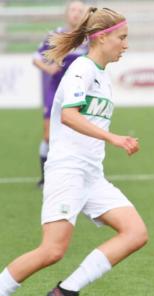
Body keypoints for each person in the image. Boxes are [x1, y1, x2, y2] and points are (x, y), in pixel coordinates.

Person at [0, 7, 148, 296]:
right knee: (52, 251)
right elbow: (69, 115)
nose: (125, 45)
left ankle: (67, 290)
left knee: (135, 232)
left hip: (91, 175)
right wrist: (114, 138)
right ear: (101, 37)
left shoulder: (103, 76)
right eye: (121, 38)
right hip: (67, 170)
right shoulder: (81, 67)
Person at [33, 0, 87, 188]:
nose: (76, 13)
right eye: (73, 9)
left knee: (82, 134)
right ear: (67, 13)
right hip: (55, 91)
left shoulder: (89, 38)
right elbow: (36, 58)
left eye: (80, 10)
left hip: (80, 93)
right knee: (48, 135)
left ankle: (82, 175)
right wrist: (49, 69)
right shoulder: (55, 34)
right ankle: (44, 177)